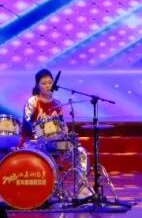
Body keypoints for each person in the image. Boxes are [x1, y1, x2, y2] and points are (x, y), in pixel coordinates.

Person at [23, 69, 93, 199]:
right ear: (37, 85)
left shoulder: (57, 103)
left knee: (80, 152)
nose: (48, 85)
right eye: (44, 83)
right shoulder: (32, 101)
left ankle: (81, 189)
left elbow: (62, 126)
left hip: (56, 144)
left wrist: (65, 131)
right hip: (36, 144)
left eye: (50, 82)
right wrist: (37, 125)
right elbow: (26, 124)